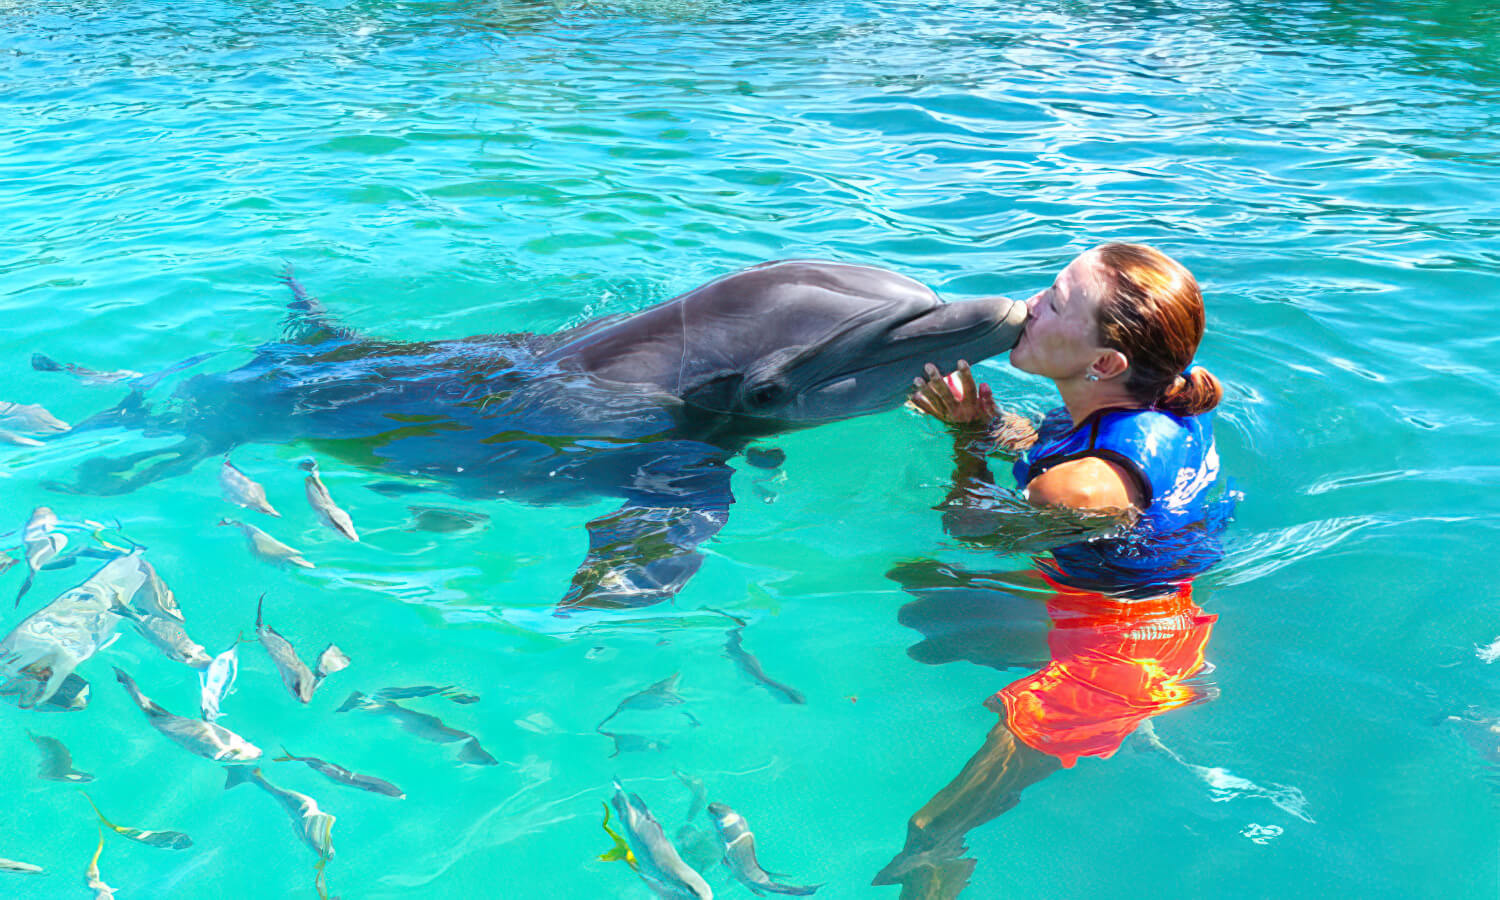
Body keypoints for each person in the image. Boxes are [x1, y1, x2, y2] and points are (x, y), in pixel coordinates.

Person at [873, 243, 1233, 894]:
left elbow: (976, 533)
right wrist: (989, 427)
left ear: (1104, 363)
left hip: (1118, 660)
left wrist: (963, 446)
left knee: (932, 829)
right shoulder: (1148, 407)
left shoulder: (1080, 489)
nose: (1031, 305)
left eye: (1057, 302)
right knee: (917, 587)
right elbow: (1050, 445)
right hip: (1139, 611)